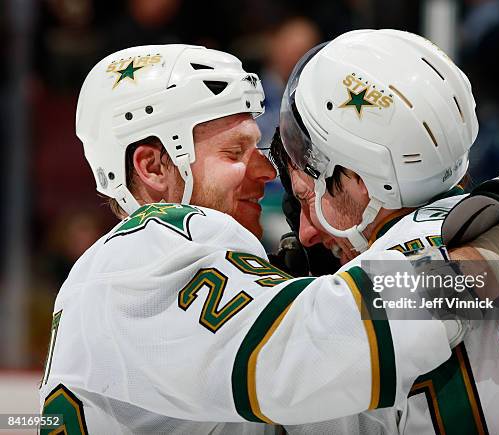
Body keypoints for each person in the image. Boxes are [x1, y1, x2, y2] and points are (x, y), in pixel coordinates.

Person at [39, 44, 463, 434]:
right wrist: (486, 269)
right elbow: (324, 350)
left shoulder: (123, 275)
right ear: (153, 166)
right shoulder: (149, 253)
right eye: (234, 153)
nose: (265, 173)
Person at [271, 29, 499, 433]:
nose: (307, 233)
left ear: (362, 183)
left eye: (310, 196)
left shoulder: (364, 295)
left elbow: (331, 330)